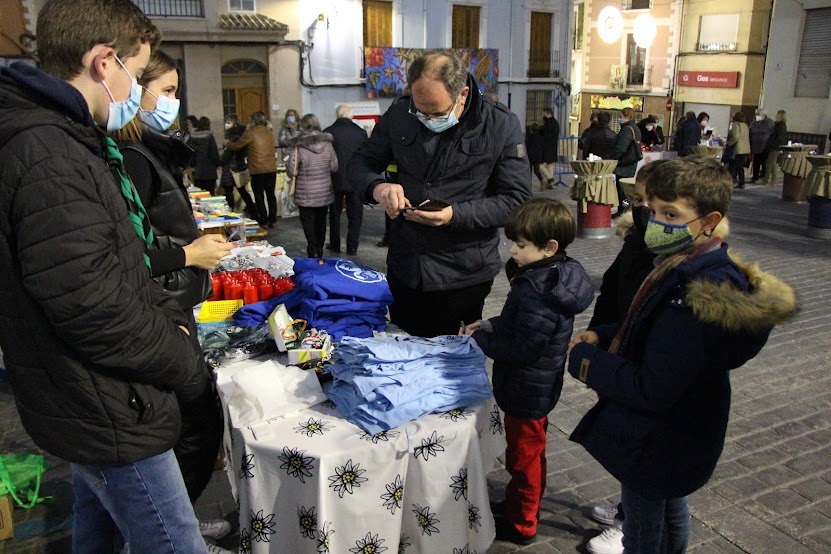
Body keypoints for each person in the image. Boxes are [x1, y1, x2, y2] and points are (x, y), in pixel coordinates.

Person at [0, 1, 211, 552]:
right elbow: (94, 307)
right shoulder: (50, 153)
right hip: (108, 404)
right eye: (138, 76)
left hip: (85, 397)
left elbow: (106, 264)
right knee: (174, 542)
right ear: (103, 62)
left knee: (97, 529)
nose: (138, 91)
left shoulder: (59, 137)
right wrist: (181, 358)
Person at [567, 157, 798, 553]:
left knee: (644, 532)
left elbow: (653, 386)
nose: (655, 222)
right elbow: (652, 330)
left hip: (661, 435)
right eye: (653, 210)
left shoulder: (694, 289)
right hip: (679, 432)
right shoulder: (682, 266)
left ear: (709, 220)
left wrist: (587, 362)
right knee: (670, 508)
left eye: (671, 213)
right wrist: (606, 335)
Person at [110, 49, 234, 553]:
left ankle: (173, 522)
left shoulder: (150, 150)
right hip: (159, 313)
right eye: (165, 90)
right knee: (195, 427)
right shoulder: (132, 157)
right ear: (133, 87)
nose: (173, 101)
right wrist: (189, 252)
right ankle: (172, 528)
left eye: (176, 90)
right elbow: (128, 249)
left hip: (171, 304)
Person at [348, 50, 532, 338]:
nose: (426, 119)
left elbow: (517, 201)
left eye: (436, 112)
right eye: (420, 110)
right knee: (403, 358)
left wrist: (454, 215)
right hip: (406, 266)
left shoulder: (500, 125)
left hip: (463, 274)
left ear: (463, 94)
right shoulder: (401, 113)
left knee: (450, 365)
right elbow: (359, 163)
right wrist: (377, 187)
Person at [461, 198, 593, 545]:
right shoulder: (544, 277)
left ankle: (523, 523)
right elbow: (518, 324)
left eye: (520, 245)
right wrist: (489, 326)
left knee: (524, 456)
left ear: (549, 247)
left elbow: (524, 348)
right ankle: (523, 503)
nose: (512, 251)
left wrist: (481, 344)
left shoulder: (540, 290)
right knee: (530, 452)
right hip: (534, 385)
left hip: (528, 388)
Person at [285, 113, 338, 258]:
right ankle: (319, 249)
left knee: (308, 222)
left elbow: (292, 170)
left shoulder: (298, 145)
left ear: (304, 126)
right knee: (321, 222)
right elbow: (334, 166)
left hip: (305, 192)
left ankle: (312, 248)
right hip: (324, 191)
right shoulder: (328, 144)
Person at [323, 104, 369, 254]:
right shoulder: (361, 133)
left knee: (334, 214)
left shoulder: (328, 132)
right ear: (352, 116)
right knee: (355, 215)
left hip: (334, 178)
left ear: (337, 116)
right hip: (355, 179)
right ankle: (352, 246)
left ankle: (335, 244)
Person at [225, 111, 278, 229]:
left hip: (257, 168)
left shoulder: (251, 132)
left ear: (253, 121)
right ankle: (273, 220)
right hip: (271, 168)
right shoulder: (268, 132)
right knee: (271, 195)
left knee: (259, 196)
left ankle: (263, 220)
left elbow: (238, 145)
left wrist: (227, 143)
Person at [220, 112, 257, 218]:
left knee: (229, 190)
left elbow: (230, 151)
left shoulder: (233, 136)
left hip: (231, 166)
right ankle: (252, 210)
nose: (226, 124)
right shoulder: (241, 134)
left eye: (228, 122)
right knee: (241, 190)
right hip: (238, 165)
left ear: (234, 123)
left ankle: (231, 211)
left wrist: (222, 161)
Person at [611, 107, 641, 217]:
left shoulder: (627, 130)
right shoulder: (635, 128)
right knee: (625, 190)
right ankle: (624, 209)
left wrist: (614, 159)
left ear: (628, 117)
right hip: (630, 164)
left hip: (623, 165)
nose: (619, 119)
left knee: (621, 190)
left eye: (620, 117)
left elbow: (621, 148)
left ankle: (622, 210)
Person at [188, 116, 221, 195]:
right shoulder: (209, 137)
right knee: (210, 194)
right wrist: (218, 164)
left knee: (200, 195)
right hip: (210, 172)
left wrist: (192, 164)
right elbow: (214, 154)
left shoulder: (192, 138)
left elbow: (191, 154)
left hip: (198, 172)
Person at [749, 107, 775, 183]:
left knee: (764, 162)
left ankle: (763, 176)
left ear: (763, 115)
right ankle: (755, 176)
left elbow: (771, 134)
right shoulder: (754, 122)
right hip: (755, 145)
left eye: (758, 114)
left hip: (765, 146)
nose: (756, 116)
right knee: (756, 163)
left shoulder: (769, 122)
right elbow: (751, 131)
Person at [727, 111, 751, 189]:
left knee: (734, 166)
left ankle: (734, 181)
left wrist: (729, 143)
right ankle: (742, 182)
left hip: (738, 149)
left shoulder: (736, 125)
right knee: (740, 167)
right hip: (745, 149)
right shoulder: (745, 125)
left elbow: (735, 137)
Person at [764, 110, 788, 186]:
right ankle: (773, 180)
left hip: (775, 147)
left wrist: (772, 144)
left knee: (769, 164)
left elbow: (779, 137)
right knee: (773, 164)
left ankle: (767, 180)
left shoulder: (779, 125)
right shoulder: (781, 125)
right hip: (776, 147)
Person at [525, 122, 549, 190]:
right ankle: (542, 180)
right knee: (536, 170)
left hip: (530, 156)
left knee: (529, 171)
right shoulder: (540, 137)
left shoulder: (530, 137)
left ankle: (528, 185)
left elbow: (527, 147)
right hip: (538, 156)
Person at [540, 107, 560, 188]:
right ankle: (550, 184)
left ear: (548, 114)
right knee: (550, 164)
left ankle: (549, 178)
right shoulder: (555, 123)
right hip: (553, 146)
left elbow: (544, 134)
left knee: (539, 164)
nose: (543, 115)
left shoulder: (548, 123)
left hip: (546, 147)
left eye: (544, 114)